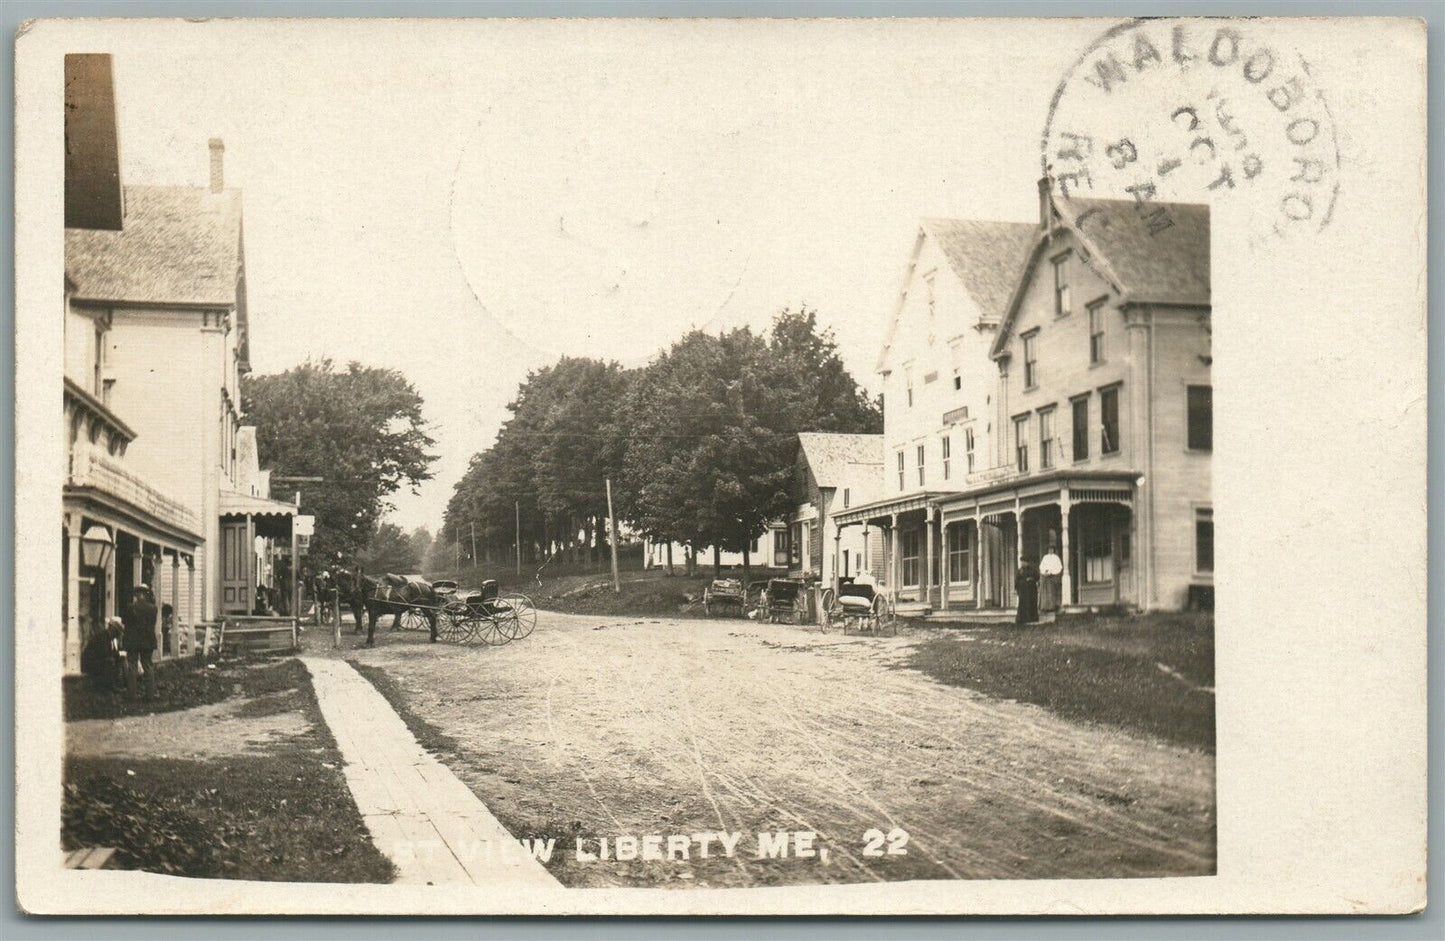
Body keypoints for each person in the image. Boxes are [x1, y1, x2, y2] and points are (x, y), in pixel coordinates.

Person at [122, 584, 159, 700]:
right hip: (148, 640)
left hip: (133, 640)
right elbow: (152, 623)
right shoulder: (153, 609)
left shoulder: (130, 607)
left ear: (137, 595)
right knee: (148, 665)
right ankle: (150, 695)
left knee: (132, 665)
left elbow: (125, 622)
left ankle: (132, 694)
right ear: (146, 595)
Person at [80, 616, 124, 693]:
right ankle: (107, 687)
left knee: (114, 660)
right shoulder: (102, 637)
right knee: (110, 661)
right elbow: (104, 654)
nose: (116, 636)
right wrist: (117, 654)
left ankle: (115, 684)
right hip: (90, 662)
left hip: (96, 660)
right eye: (116, 633)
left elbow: (108, 653)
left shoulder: (107, 637)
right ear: (112, 630)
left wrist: (117, 654)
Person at [1015, 557, 1040, 625]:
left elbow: (1037, 577)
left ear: (1027, 563)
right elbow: (1017, 580)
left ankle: (1031, 618)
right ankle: (1022, 619)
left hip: (1031, 590)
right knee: (1023, 604)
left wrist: (1031, 579)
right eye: (1022, 562)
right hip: (1023, 591)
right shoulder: (1020, 570)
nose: (1022, 563)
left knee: (1030, 603)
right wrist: (1017, 588)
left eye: (1024, 562)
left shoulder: (1032, 570)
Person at [1038, 546, 1064, 612]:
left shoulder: (1056, 558)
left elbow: (1058, 567)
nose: (1050, 551)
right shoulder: (1045, 557)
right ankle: (1044, 607)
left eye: (1052, 549)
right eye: (1049, 549)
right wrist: (1044, 572)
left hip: (1053, 577)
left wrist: (1051, 572)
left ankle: (1051, 607)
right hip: (1045, 577)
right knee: (1045, 592)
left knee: (1051, 592)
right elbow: (1042, 566)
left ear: (1054, 550)